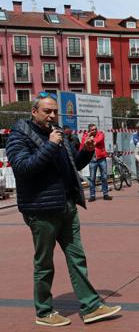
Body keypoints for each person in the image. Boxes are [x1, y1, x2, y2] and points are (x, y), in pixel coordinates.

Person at [6, 93, 121, 326]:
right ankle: (44, 311)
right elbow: (23, 168)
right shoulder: (19, 136)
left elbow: (72, 166)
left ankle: (91, 306)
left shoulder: (58, 133)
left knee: (77, 258)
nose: (52, 116)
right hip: (41, 210)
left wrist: (86, 151)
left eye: (55, 111)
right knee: (44, 263)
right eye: (47, 111)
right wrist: (50, 145)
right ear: (34, 112)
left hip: (66, 206)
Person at [81, 124, 111, 202]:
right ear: (89, 130)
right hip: (92, 160)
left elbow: (98, 141)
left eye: (95, 129)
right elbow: (84, 142)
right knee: (92, 178)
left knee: (104, 177)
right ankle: (92, 195)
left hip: (101, 159)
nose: (94, 131)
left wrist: (91, 140)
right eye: (92, 130)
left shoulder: (100, 133)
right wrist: (88, 135)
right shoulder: (86, 135)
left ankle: (105, 194)